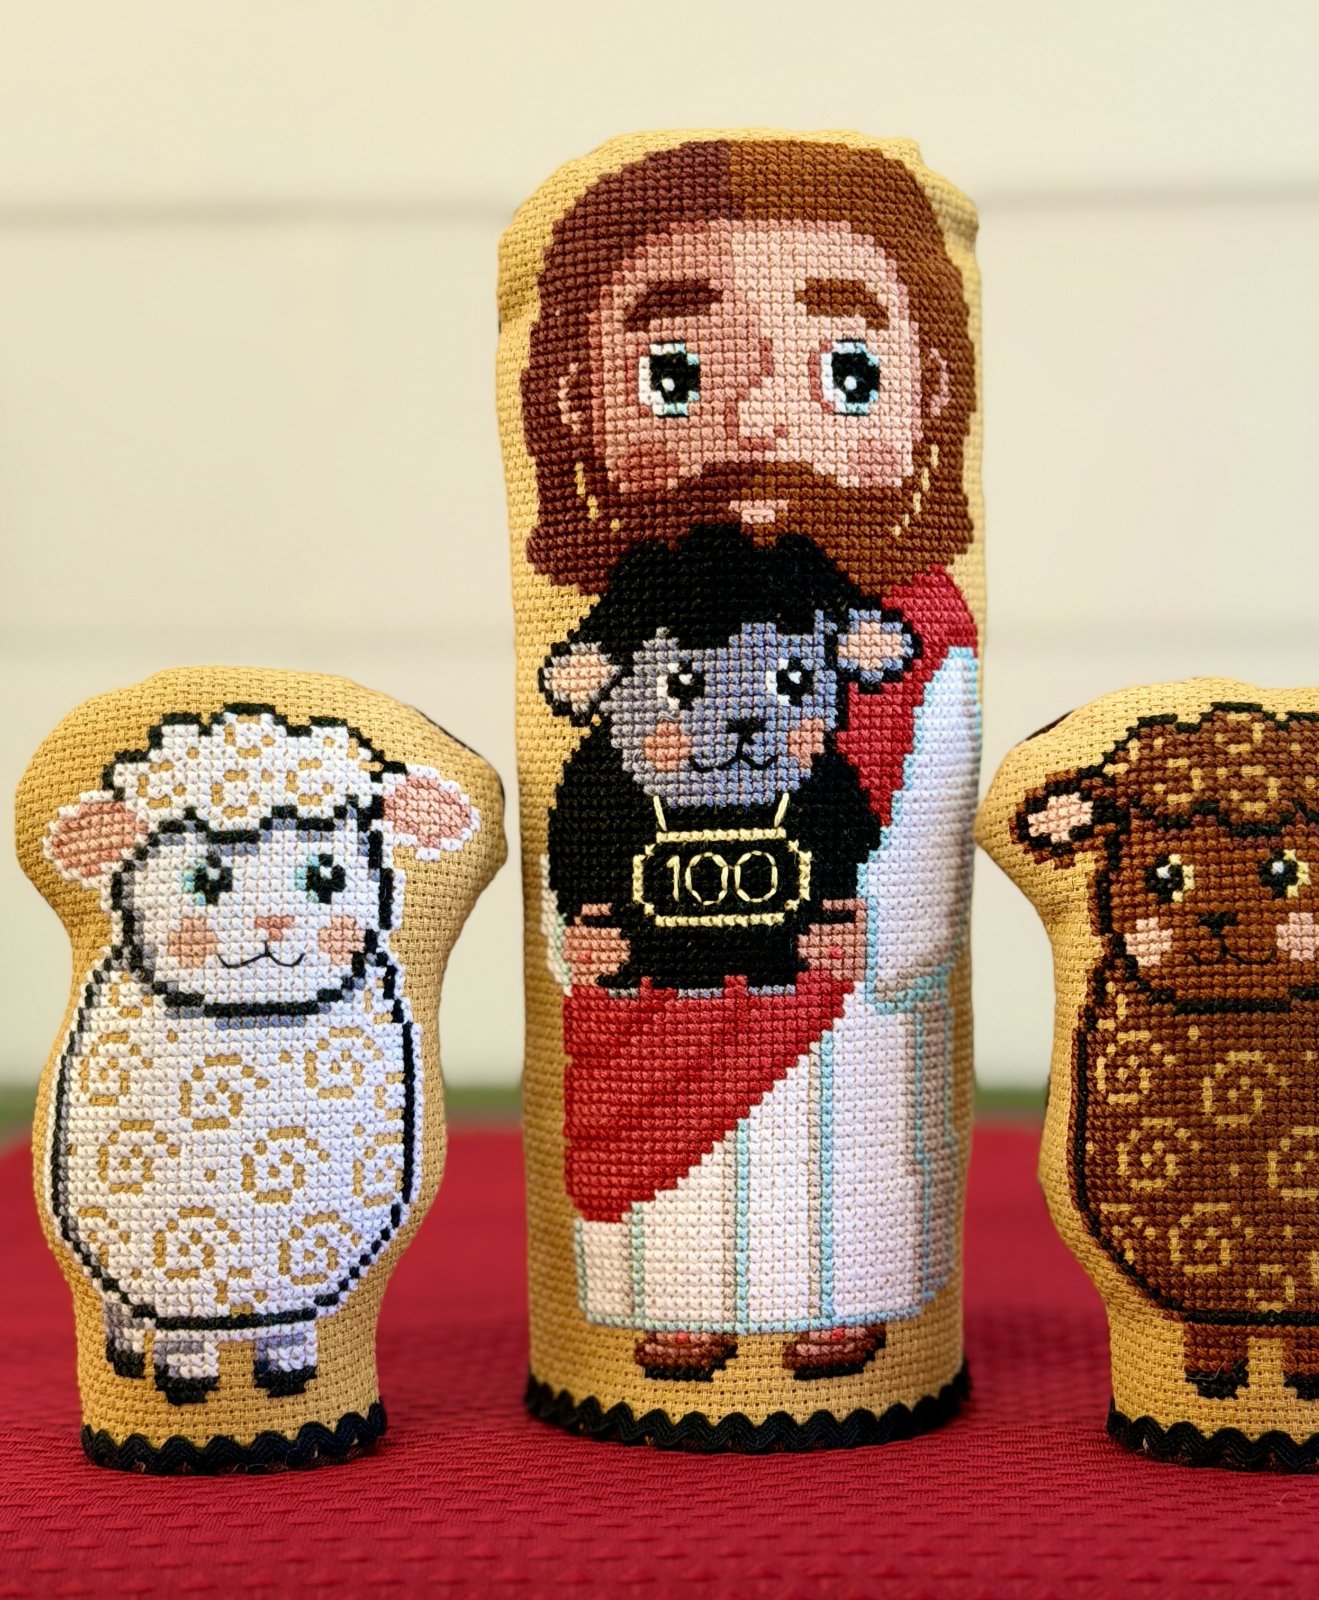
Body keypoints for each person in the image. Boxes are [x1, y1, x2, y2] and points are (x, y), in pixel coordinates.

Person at [521, 138, 981, 1380]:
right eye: (674, 373)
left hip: (846, 995)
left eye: (846, 369)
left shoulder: (923, 632)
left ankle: (854, 1303)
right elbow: (583, 802)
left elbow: (922, 827)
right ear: (574, 403)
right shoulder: (614, 620)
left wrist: (880, 936)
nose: (762, 421)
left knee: (850, 1155)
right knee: (671, 1193)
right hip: (649, 986)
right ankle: (669, 1310)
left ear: (932, 390)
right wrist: (586, 928)